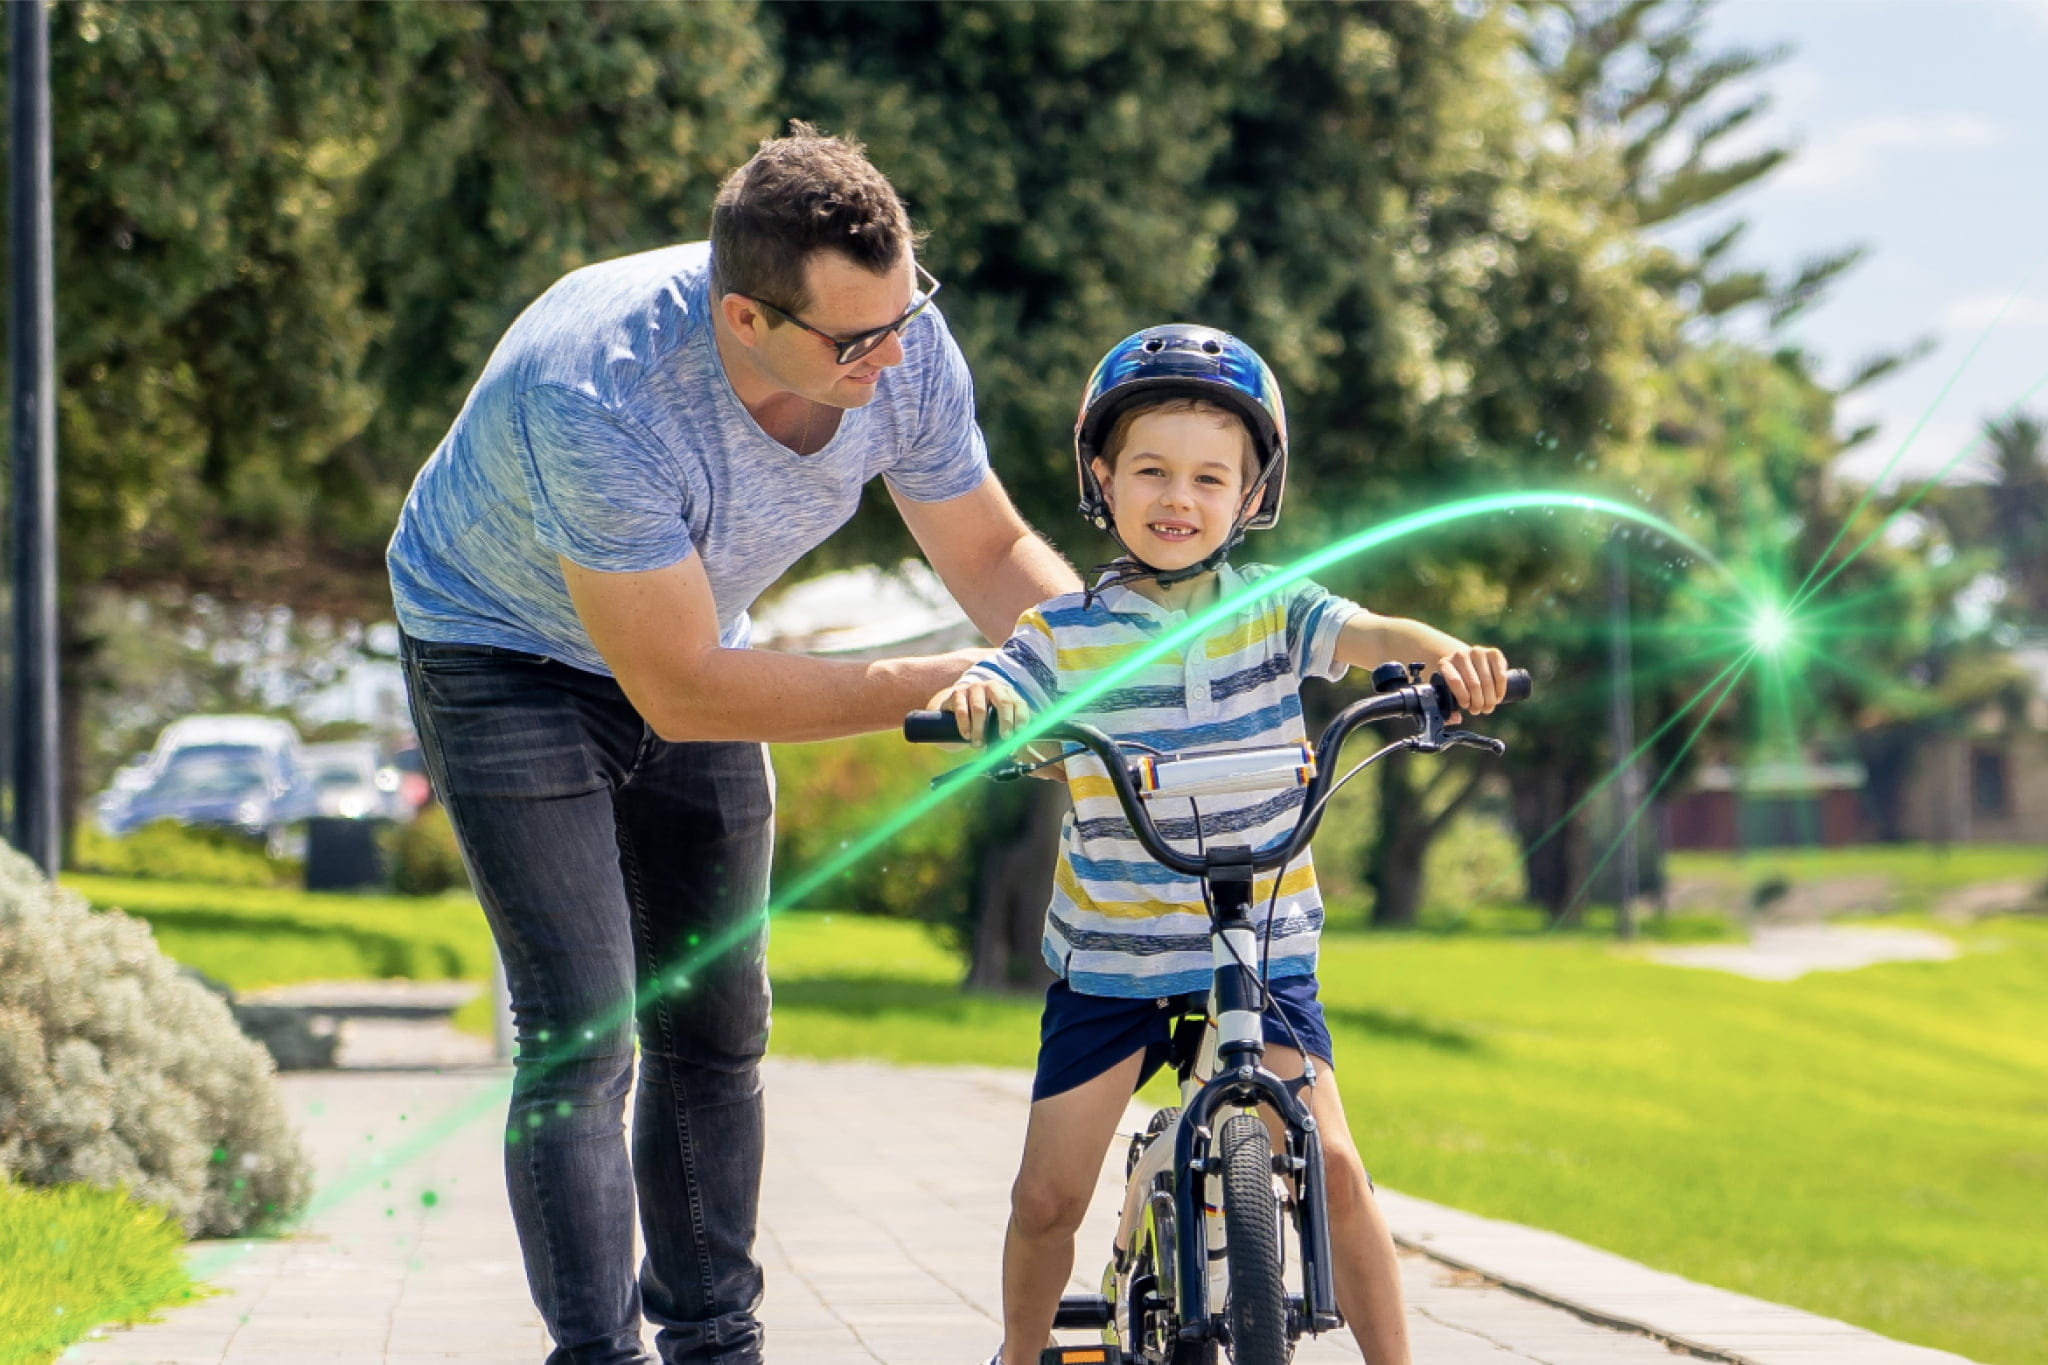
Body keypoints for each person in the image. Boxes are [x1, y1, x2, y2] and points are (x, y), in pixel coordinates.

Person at [386, 125, 1078, 1365]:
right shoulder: (602, 389)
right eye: (855, 339)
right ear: (744, 319)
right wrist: (943, 681)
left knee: (714, 1022)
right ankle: (597, 1356)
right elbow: (682, 692)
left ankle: (717, 1345)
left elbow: (982, 551)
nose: (893, 354)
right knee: (585, 1029)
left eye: (905, 312)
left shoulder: (897, 345)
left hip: (690, 640)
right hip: (502, 654)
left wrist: (1103, 655)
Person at [928, 324, 1514, 1365]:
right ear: (1100, 479)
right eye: (1149, 470)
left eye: (1210, 478)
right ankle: (1016, 1355)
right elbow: (1007, 682)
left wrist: (1449, 662)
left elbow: (1376, 635)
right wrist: (982, 698)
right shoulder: (1062, 633)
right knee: (1045, 1194)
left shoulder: (1275, 609)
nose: (1177, 499)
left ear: (1250, 498)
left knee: (1333, 1167)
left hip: (1259, 949)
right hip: (1112, 961)